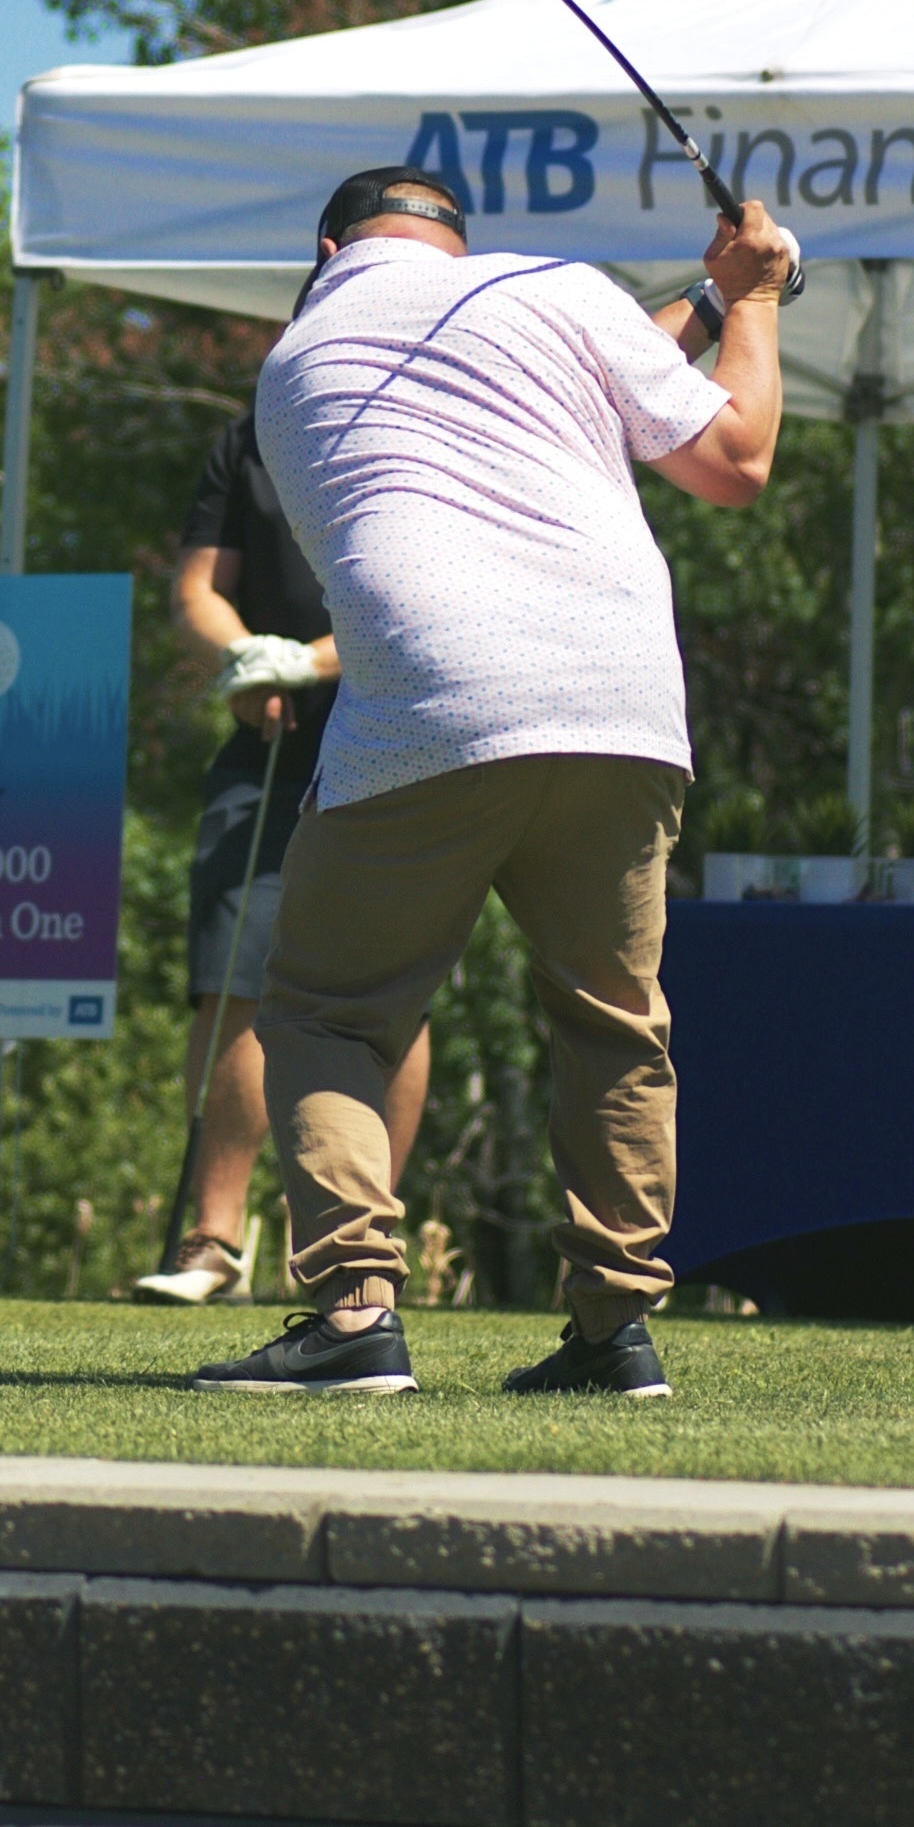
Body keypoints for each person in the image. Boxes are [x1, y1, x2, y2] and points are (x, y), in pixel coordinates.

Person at [192, 165, 790, 1396]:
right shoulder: (558, 291)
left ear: (326, 251)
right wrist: (753, 298)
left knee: (326, 1014)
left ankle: (355, 1315)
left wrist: (713, 298)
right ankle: (615, 1331)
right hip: (624, 698)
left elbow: (539, 379)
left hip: (433, 704)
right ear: (460, 247)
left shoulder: (292, 365)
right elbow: (731, 454)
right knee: (612, 1021)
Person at [134, 409, 430, 1303]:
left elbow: (429, 597)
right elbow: (197, 590)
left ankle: (354, 1245)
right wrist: (246, 659)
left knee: (394, 991)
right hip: (266, 743)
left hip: (396, 738)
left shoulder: (420, 417)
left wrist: (308, 661)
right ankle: (214, 1243)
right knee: (233, 979)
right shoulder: (250, 437)